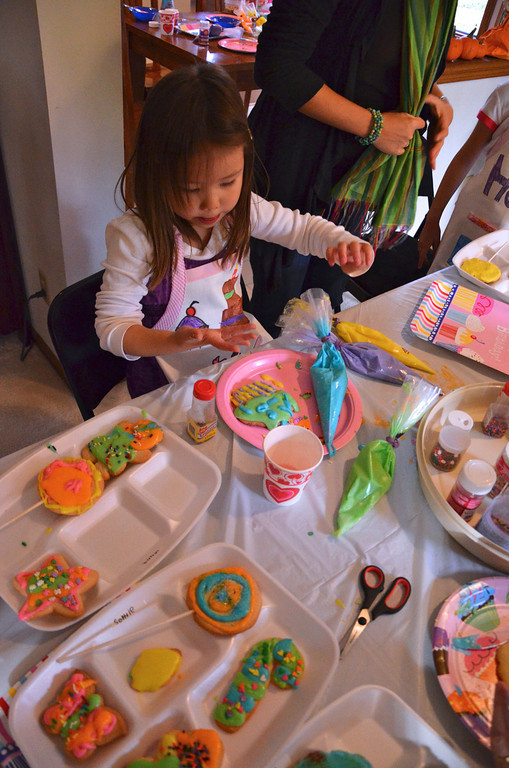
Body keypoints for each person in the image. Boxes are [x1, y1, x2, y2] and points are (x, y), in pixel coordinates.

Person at [95, 63, 374, 398]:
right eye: (191, 188)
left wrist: (341, 242)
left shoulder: (241, 209)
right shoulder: (136, 237)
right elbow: (112, 328)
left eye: (228, 182)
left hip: (230, 362)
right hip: (166, 382)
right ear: (157, 172)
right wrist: (173, 340)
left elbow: (302, 229)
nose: (212, 204)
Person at [248, 0, 457, 337]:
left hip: (357, 180)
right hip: (298, 165)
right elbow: (277, 65)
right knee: (278, 311)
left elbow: (381, 53)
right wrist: (374, 127)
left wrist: (431, 95)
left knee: (327, 300)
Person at [418, 80, 509, 272]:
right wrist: (432, 219)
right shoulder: (505, 96)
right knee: (443, 290)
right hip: (471, 227)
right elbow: (463, 161)